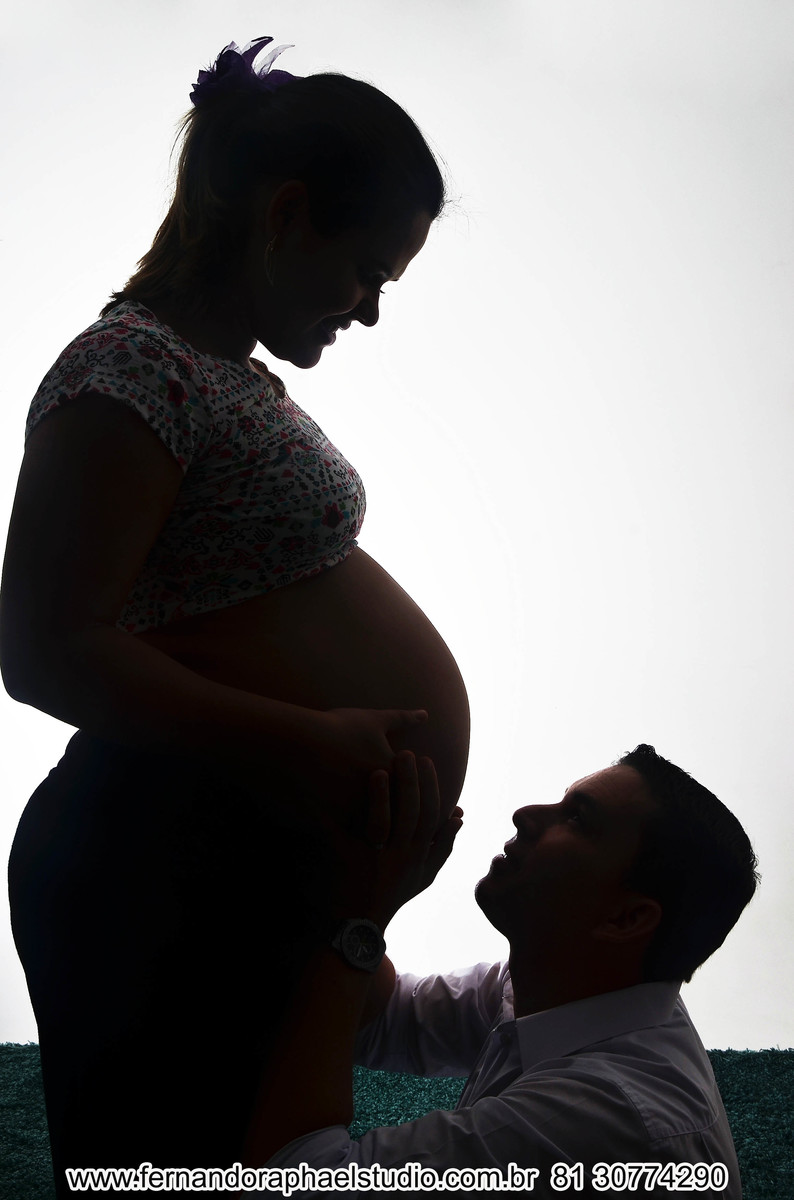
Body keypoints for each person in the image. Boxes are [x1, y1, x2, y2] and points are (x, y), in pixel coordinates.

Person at [1, 36, 469, 1196]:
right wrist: (304, 740)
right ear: (286, 215)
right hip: (152, 870)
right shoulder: (128, 371)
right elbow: (43, 649)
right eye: (365, 272)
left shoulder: (223, 373)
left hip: (231, 861)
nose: (369, 313)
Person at [244, 744, 758, 1200]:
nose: (525, 814)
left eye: (577, 819)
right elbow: (386, 1018)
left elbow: (289, 1179)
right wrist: (350, 863)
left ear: (626, 919)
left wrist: (359, 914)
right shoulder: (559, 985)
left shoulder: (612, 1122)